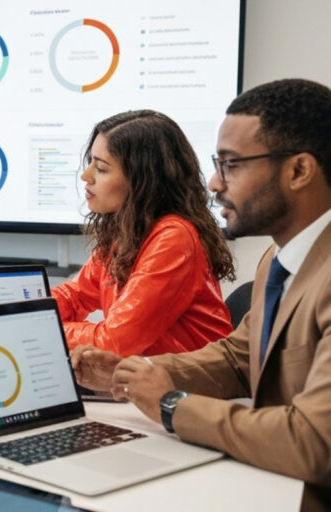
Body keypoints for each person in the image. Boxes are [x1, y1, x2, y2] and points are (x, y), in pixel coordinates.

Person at [71, 79, 331, 511]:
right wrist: (130, 374)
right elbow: (236, 358)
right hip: (269, 477)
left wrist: (172, 405)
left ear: (299, 172)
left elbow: (315, 443)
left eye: (231, 165)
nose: (213, 182)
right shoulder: (279, 260)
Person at [52, 110, 235, 357]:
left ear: (142, 180)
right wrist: (21, 311)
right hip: (147, 381)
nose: (86, 177)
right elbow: (75, 297)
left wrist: (45, 330)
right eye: (90, 164)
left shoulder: (174, 237)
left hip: (190, 389)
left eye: (102, 169)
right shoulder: (126, 232)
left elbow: (115, 342)